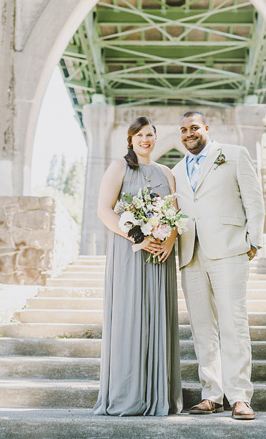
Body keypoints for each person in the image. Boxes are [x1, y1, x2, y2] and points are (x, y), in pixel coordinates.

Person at [166, 110, 265, 420]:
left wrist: (254, 240)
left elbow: (254, 198)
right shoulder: (176, 171)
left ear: (206, 128)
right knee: (201, 328)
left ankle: (240, 397)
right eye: (183, 130)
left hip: (229, 249)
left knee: (233, 323)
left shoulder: (234, 154)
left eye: (194, 127)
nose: (188, 133)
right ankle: (212, 394)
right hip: (190, 254)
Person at [93, 116, 183, 416]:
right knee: (129, 317)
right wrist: (138, 237)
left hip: (160, 256)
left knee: (159, 318)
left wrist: (170, 241)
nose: (145, 139)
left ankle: (158, 395)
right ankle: (128, 394)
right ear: (131, 140)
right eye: (140, 135)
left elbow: (175, 213)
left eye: (150, 135)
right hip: (129, 253)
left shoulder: (167, 173)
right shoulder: (119, 167)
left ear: (156, 139)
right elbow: (104, 210)